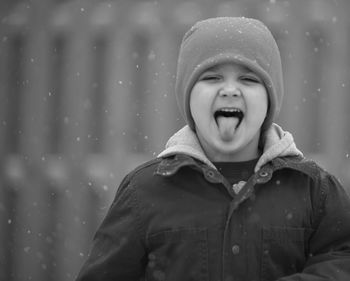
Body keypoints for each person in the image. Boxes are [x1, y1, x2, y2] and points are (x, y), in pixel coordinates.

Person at [75, 17, 350, 281]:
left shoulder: (313, 190)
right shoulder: (145, 191)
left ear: (269, 100)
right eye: (212, 77)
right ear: (188, 97)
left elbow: (341, 259)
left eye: (249, 80)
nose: (230, 90)